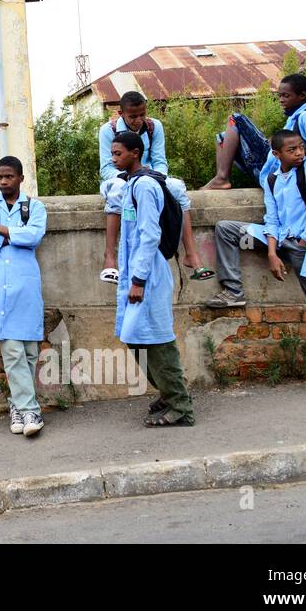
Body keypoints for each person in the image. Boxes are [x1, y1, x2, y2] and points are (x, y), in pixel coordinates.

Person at [206, 128, 306, 396]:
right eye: (292, 150)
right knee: (226, 228)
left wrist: (303, 242)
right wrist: (271, 253)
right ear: (276, 153)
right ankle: (233, 290)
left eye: (301, 148)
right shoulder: (271, 179)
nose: (299, 153)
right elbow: (272, 219)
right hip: (278, 240)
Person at [111, 130, 195, 427]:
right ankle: (170, 391)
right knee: (135, 337)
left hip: (149, 275)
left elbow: (149, 236)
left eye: (118, 153)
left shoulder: (145, 186)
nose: (113, 158)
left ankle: (181, 406)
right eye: (112, 153)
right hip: (138, 274)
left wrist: (139, 280)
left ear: (135, 153)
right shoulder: (132, 184)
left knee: (158, 340)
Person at [97, 91, 213, 284]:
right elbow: (106, 168)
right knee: (118, 191)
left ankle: (191, 254)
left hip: (149, 176)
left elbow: (160, 161)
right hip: (120, 177)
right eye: (133, 116)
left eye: (142, 114)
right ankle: (109, 257)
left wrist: (151, 176)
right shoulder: (108, 130)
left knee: (177, 188)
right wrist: (130, 177)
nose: (138, 120)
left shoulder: (154, 127)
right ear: (121, 113)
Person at [0, 155, 49, 437]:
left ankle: (16, 406)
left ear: (20, 178)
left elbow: (35, 236)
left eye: (9, 176)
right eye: (0, 177)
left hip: (24, 286)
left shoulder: (35, 208)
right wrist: (17, 236)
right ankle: (31, 412)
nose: (4, 181)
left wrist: (5, 230)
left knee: (29, 351)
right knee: (13, 350)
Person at [202, 73, 306, 198]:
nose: (281, 100)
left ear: (302, 96)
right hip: (271, 172)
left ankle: (222, 177)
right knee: (223, 137)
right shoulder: (294, 118)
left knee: (236, 119)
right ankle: (220, 179)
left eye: (286, 96)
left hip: (284, 177)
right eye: (280, 96)